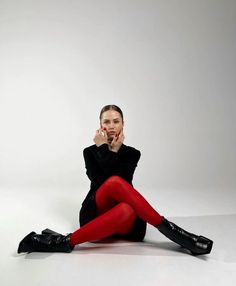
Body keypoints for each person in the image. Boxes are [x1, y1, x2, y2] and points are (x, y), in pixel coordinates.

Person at [18, 105, 213, 255]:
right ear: (100, 125)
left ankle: (63, 242)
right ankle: (178, 235)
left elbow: (124, 183)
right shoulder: (90, 152)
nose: (111, 126)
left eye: (116, 121)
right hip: (95, 215)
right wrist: (104, 149)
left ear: (123, 124)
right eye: (107, 122)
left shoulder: (132, 153)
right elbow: (101, 181)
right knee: (112, 183)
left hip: (127, 223)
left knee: (126, 206)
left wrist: (112, 151)